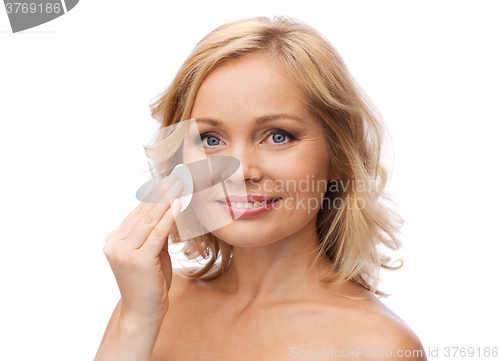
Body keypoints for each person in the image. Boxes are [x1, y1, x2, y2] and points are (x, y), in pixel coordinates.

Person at [94, 16, 427, 361]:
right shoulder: (151, 304)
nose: (240, 171)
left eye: (278, 136)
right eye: (210, 139)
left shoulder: (377, 346)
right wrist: (137, 320)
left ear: (339, 156)